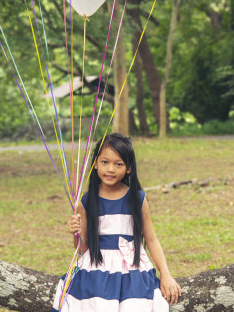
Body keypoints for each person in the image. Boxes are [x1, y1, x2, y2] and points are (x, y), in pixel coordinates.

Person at [51, 133, 181, 312]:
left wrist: (165, 275)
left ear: (128, 168)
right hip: (97, 268)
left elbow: (151, 240)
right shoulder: (87, 202)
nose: (110, 169)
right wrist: (76, 233)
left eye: (118, 164)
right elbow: (83, 250)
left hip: (132, 269)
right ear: (95, 164)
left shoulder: (138, 199)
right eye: (105, 162)